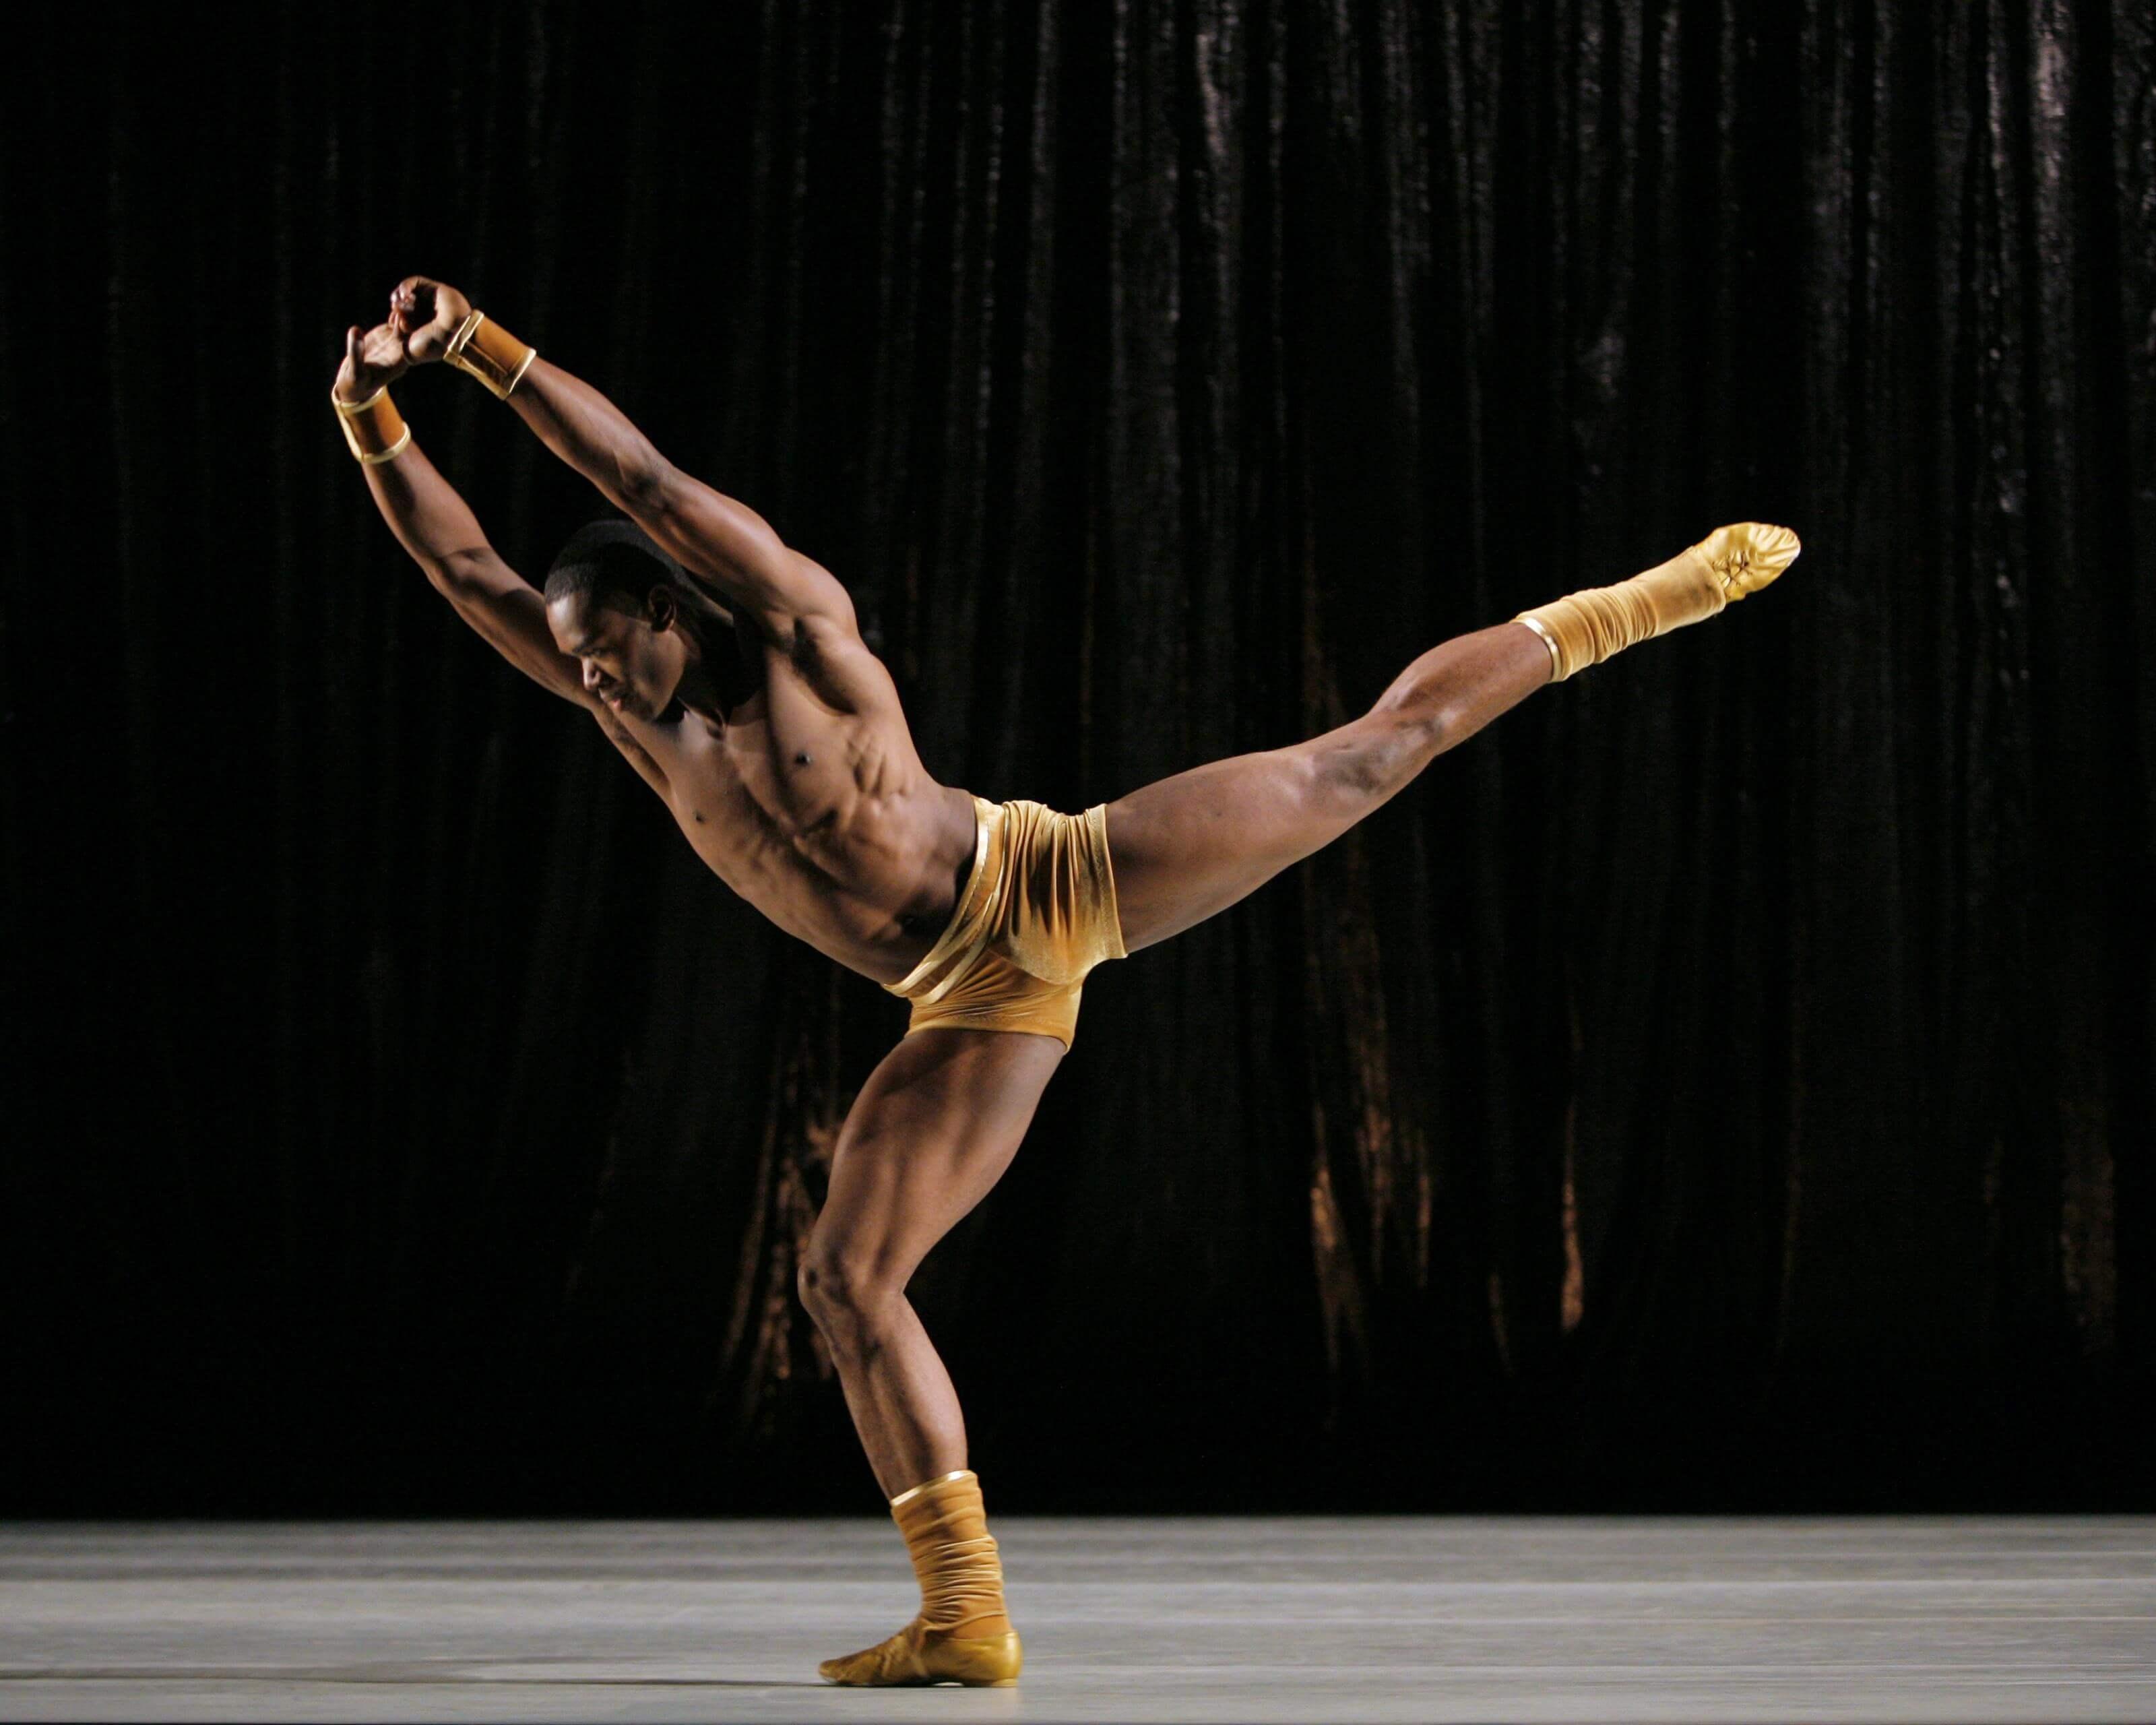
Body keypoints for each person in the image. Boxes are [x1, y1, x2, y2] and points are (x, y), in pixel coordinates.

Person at [332, 278, 1800, 1687]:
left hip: (1044, 879)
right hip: (964, 998)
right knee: (844, 1277)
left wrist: (478, 352)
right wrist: (370, 417)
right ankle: (963, 1616)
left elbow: (645, 477)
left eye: (605, 653)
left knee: (1367, 755)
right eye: (576, 668)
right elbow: (466, 572)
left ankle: (1651, 596)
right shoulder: (631, 722)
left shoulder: (793, 628)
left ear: (664, 609)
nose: (586, 681)